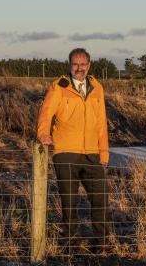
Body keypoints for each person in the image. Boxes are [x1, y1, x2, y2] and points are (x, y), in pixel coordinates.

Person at [36, 48, 110, 253]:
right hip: (66, 153)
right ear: (69, 65)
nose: (80, 68)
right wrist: (43, 134)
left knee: (101, 199)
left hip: (92, 153)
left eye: (83, 64)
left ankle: (102, 242)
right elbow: (46, 112)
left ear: (89, 65)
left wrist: (104, 153)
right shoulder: (59, 86)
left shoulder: (97, 87)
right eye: (75, 64)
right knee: (69, 202)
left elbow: (101, 123)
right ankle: (72, 243)